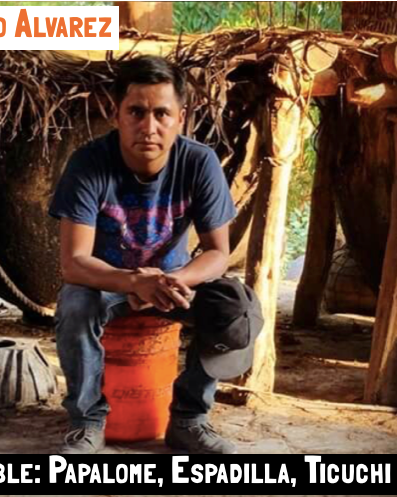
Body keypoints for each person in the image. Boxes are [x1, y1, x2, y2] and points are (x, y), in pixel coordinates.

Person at [48, 55, 263, 454]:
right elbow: (74, 263)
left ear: (181, 117)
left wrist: (173, 281)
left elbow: (218, 252)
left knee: (239, 309)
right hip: (108, 285)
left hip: (174, 283)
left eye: (161, 113)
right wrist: (133, 282)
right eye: (136, 112)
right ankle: (87, 423)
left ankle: (188, 420)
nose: (149, 127)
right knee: (75, 305)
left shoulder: (198, 162)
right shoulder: (88, 164)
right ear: (117, 114)